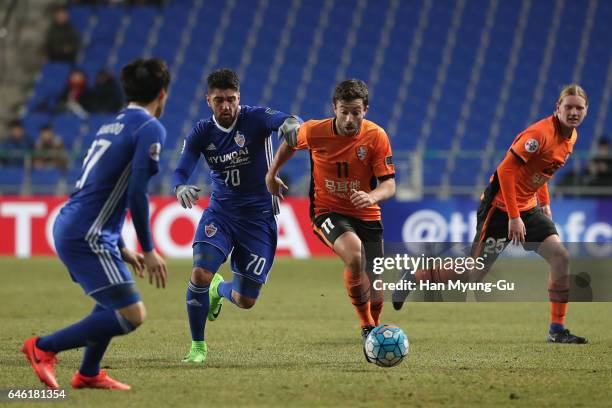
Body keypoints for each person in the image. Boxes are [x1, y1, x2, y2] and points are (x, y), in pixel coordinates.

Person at [394, 84, 589, 344]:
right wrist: (513, 216)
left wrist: (545, 203)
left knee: (560, 256)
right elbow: (505, 172)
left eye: (579, 108)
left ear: (586, 111)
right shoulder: (539, 134)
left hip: (528, 208)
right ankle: (414, 277)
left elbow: (540, 171)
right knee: (473, 274)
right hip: (499, 210)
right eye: (569, 107)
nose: (574, 112)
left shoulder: (571, 137)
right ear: (558, 108)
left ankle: (557, 329)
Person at [21, 58, 170, 390]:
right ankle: (43, 347)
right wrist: (148, 249)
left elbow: (99, 189)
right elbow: (136, 195)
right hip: (87, 232)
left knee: (109, 301)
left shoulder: (111, 124)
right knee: (132, 315)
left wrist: (120, 246)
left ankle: (88, 373)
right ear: (163, 94)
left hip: (79, 222)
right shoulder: (150, 128)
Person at [172, 68, 300, 364]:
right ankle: (198, 347)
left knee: (245, 300)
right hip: (222, 213)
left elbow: (285, 119)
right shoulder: (202, 133)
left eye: (231, 99)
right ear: (208, 100)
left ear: (239, 98)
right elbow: (181, 168)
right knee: (200, 272)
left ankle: (220, 288)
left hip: (259, 218)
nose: (226, 106)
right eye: (219, 100)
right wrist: (179, 186)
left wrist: (293, 124)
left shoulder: (254, 118)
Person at [265, 79, 396, 362]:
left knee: (377, 287)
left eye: (357, 112)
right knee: (356, 257)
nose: (350, 119)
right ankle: (367, 327)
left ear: (366, 110)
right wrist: (272, 172)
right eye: (344, 112)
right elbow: (291, 141)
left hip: (367, 213)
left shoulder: (376, 137)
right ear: (334, 108)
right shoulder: (314, 130)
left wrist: (373, 197)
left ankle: (373, 323)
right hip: (328, 211)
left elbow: (389, 184)